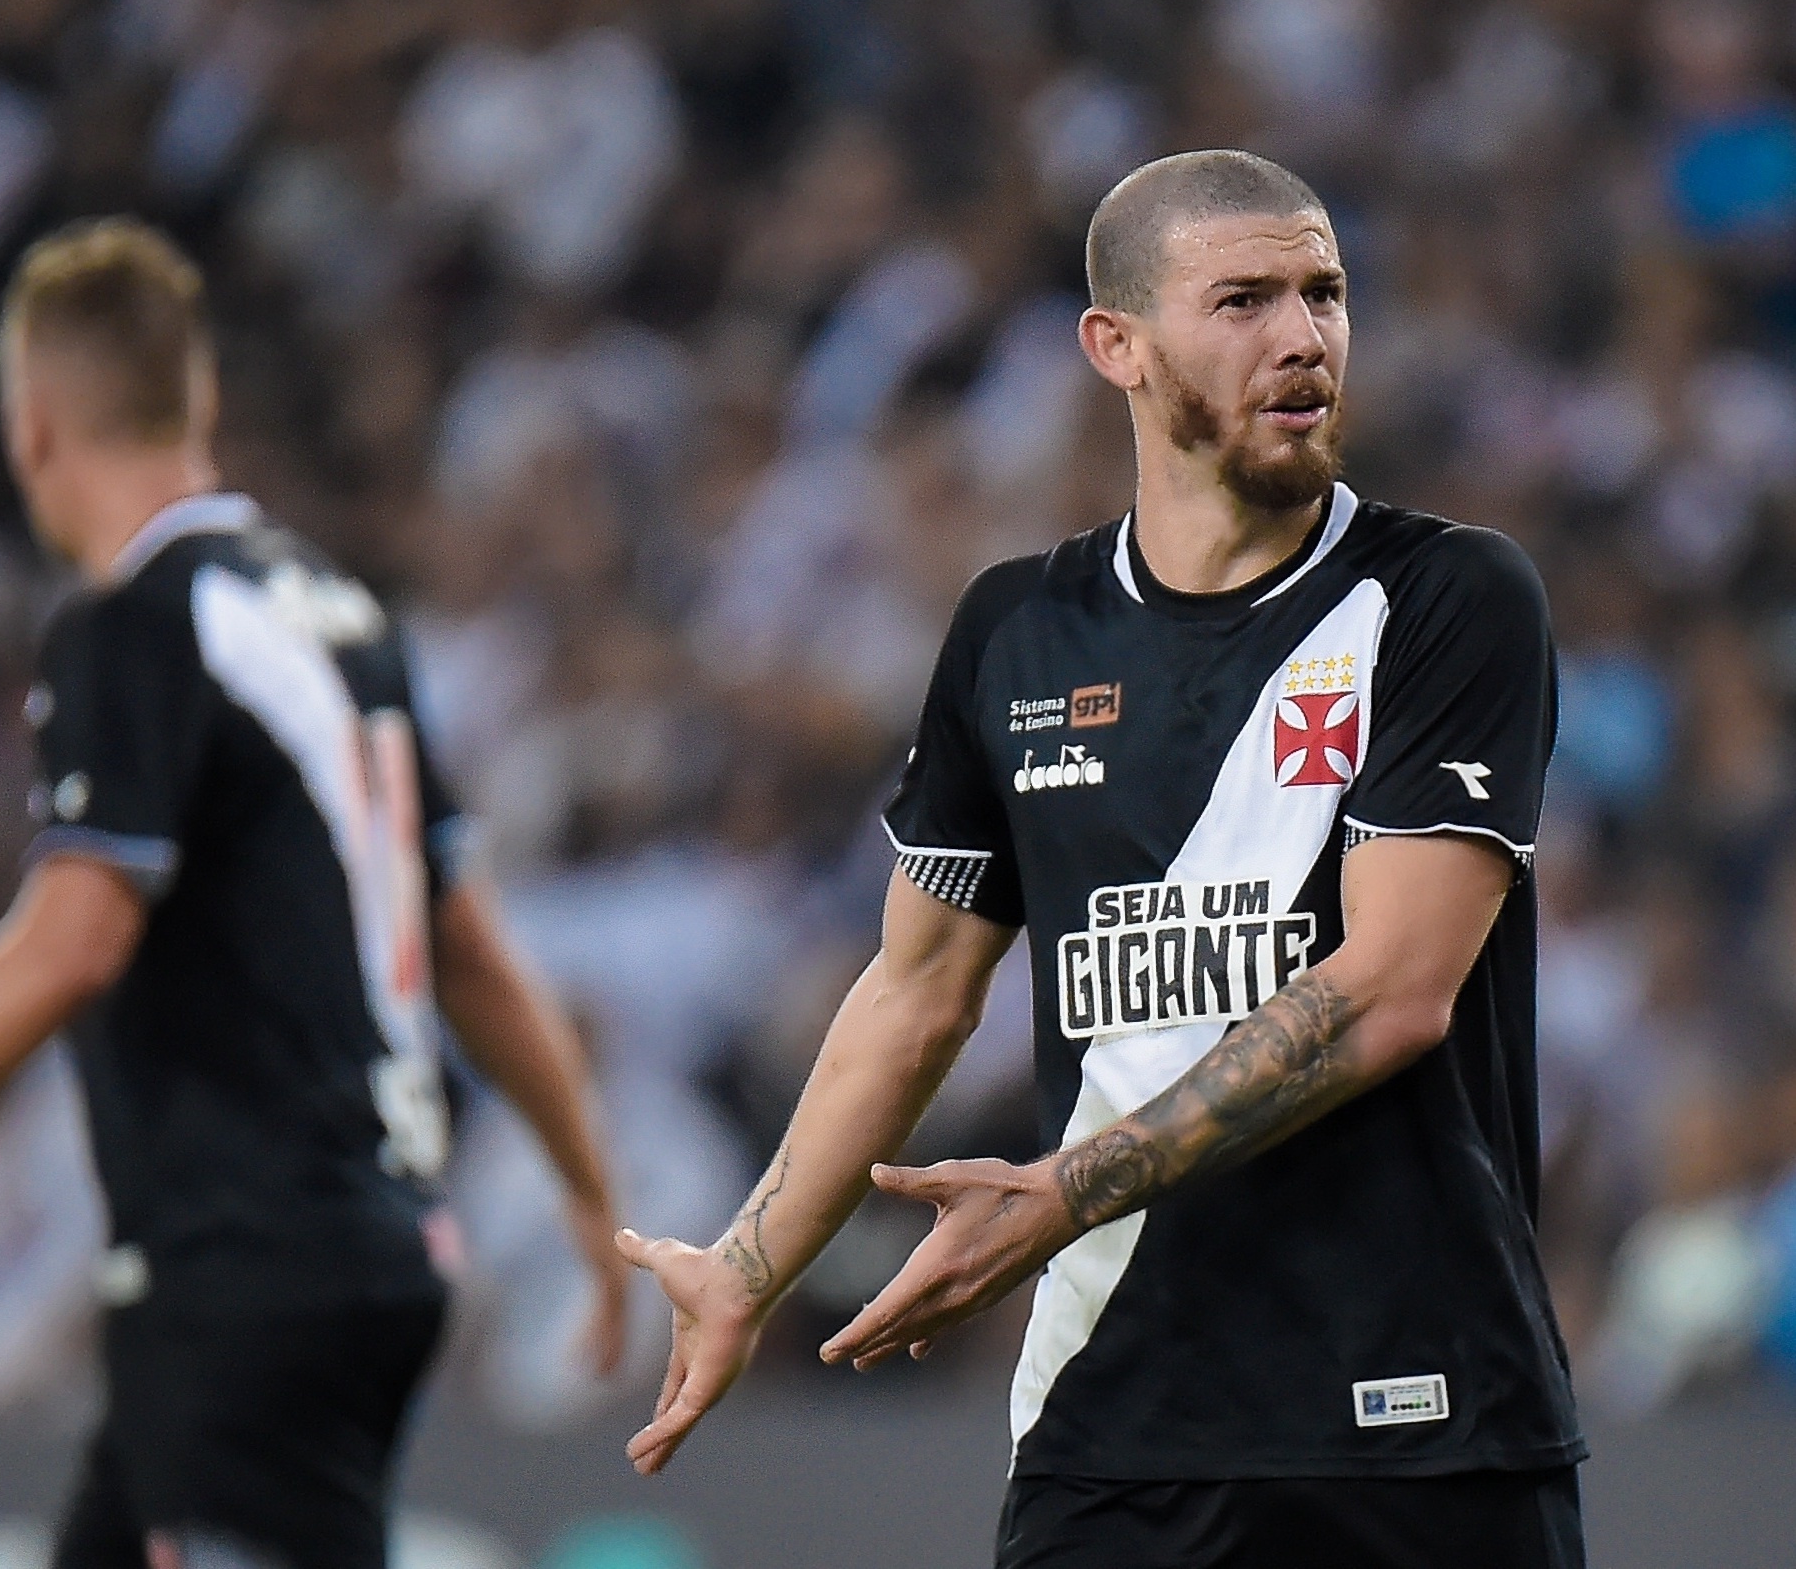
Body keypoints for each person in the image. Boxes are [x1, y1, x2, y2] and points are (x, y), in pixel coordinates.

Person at [618, 150, 1586, 1568]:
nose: (1304, 337)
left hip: (1420, 1427)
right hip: (1111, 1433)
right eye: (1244, 298)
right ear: (1114, 345)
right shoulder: (1018, 634)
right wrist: (750, 1264)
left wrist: (1060, 1195)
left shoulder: (1445, 597)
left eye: (1323, 293)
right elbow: (917, 987)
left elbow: (1392, 989)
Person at [0, 219, 626, 1569]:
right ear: (199, 400)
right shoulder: (342, 619)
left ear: (33, 424)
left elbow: (74, 934)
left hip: (249, 1263)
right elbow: (467, 943)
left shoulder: (132, 621)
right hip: (348, 1248)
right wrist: (589, 1181)